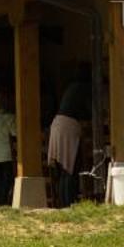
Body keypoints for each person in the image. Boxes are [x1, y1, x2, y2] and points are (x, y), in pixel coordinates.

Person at [47, 65, 92, 207]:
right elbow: (88, 110)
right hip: (68, 127)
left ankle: (63, 203)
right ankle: (69, 203)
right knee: (71, 167)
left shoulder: (71, 87)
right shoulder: (83, 88)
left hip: (57, 124)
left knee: (64, 170)